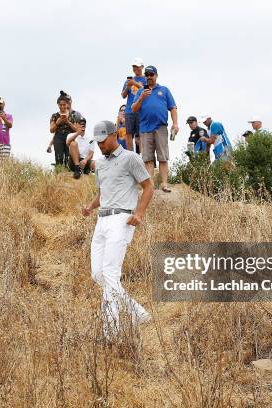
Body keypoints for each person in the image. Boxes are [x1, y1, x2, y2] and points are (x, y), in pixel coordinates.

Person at [82, 120, 154, 340]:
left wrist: (139, 214)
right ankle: (138, 313)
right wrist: (90, 207)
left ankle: (110, 332)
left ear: (115, 135)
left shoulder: (131, 158)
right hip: (102, 220)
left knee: (111, 274)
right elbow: (103, 193)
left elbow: (148, 187)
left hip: (121, 219)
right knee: (98, 274)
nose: (101, 145)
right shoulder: (100, 163)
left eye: (103, 141)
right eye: (98, 142)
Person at [131, 65, 178, 193]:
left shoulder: (164, 90)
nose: (149, 77)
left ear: (156, 75)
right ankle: (150, 186)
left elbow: (173, 107)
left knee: (163, 156)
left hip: (161, 127)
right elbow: (133, 109)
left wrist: (175, 124)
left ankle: (164, 184)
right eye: (147, 75)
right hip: (145, 129)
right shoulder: (141, 91)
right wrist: (141, 98)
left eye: (152, 74)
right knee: (147, 159)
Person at [47, 91, 83, 167]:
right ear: (58, 105)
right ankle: (59, 175)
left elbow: (77, 130)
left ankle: (68, 175)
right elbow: (51, 130)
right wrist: (57, 123)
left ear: (67, 105)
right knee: (59, 158)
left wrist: (68, 122)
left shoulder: (73, 115)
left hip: (69, 137)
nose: (62, 107)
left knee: (68, 158)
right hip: (58, 138)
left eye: (64, 105)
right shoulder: (54, 115)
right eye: (60, 105)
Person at [121, 57, 147, 154]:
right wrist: (128, 86)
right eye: (134, 67)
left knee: (141, 134)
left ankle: (142, 157)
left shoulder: (145, 79)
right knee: (128, 134)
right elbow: (123, 95)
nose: (135, 68)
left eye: (137, 66)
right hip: (129, 110)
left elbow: (147, 90)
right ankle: (130, 156)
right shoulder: (128, 81)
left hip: (141, 110)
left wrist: (135, 83)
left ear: (142, 67)